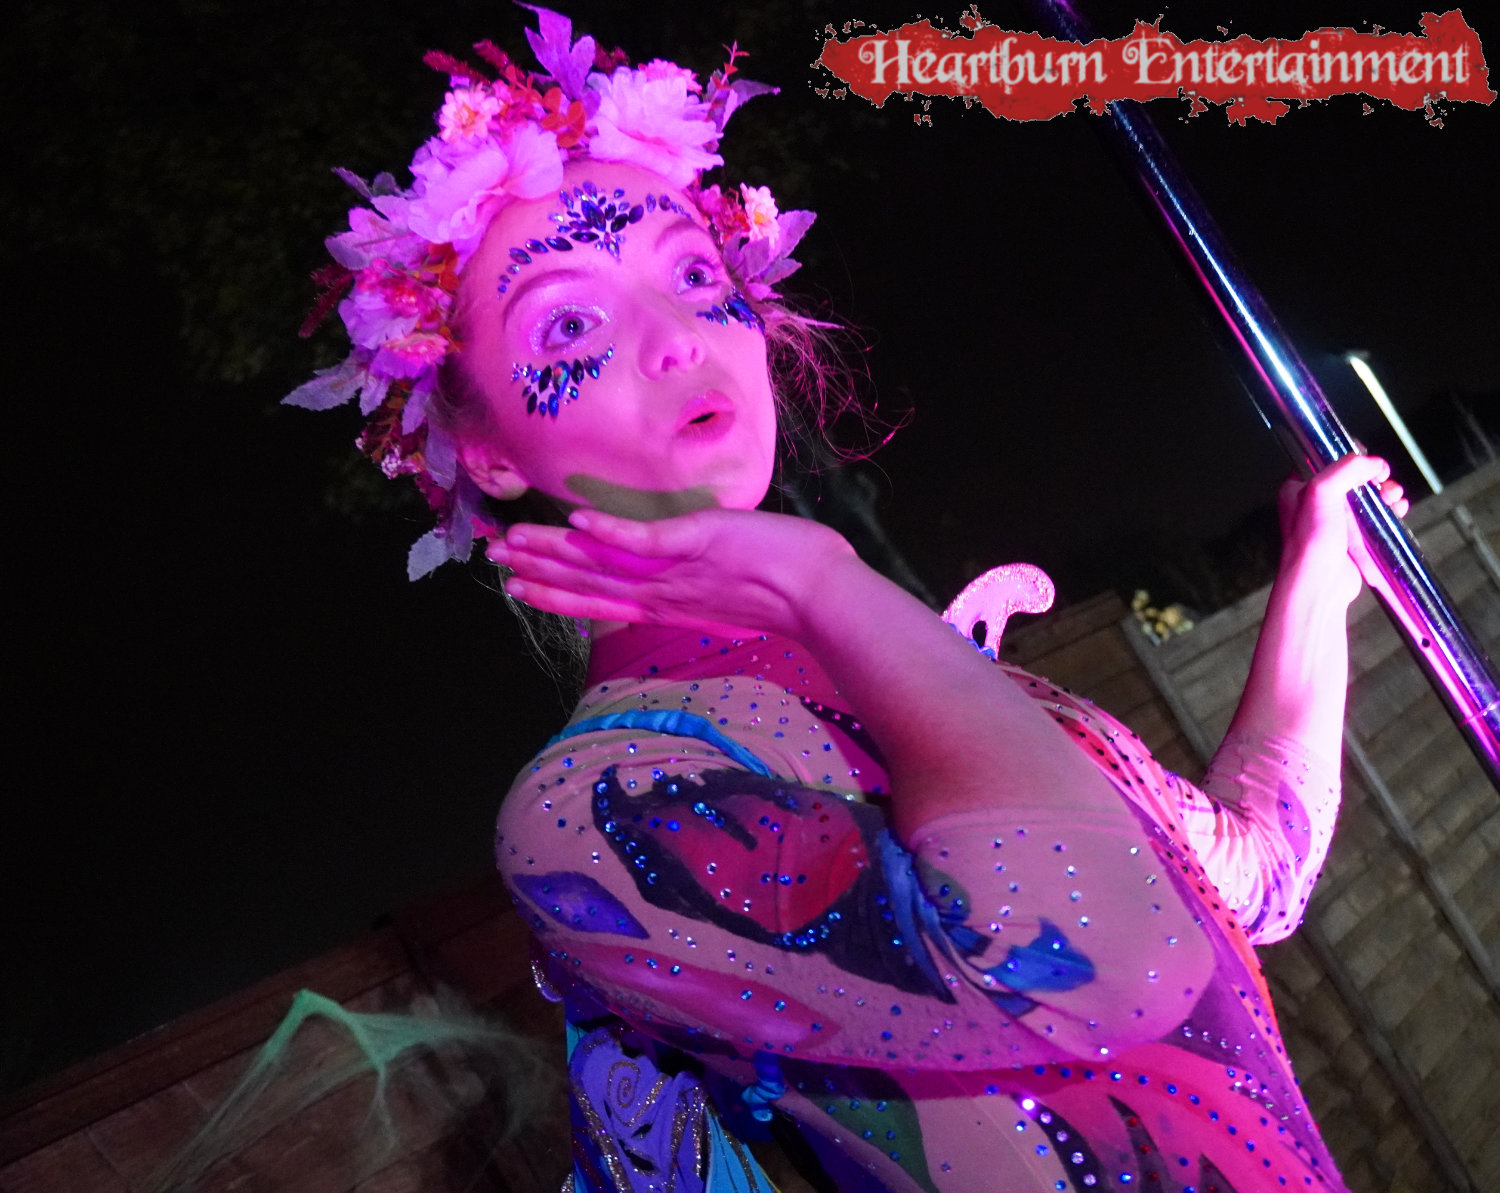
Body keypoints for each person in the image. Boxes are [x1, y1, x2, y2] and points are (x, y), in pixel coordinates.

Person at [287, 8, 1409, 1191]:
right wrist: (820, 579)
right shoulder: (600, 808)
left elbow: (1249, 874)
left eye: (694, 274)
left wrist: (1318, 587)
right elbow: (1100, 961)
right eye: (570, 322)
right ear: (483, 447)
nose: (677, 340)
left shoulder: (945, 691)